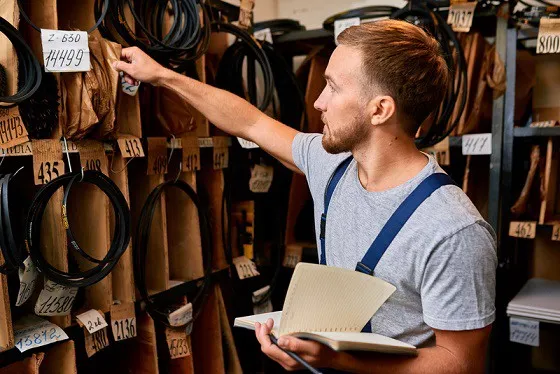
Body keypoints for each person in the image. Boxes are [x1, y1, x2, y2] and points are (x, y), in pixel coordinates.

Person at [114, 19, 497, 374]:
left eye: (333, 87)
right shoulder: (333, 166)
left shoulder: (452, 229)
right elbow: (250, 121)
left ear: (380, 109)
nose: (318, 102)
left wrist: (340, 360)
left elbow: (460, 362)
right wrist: (162, 76)